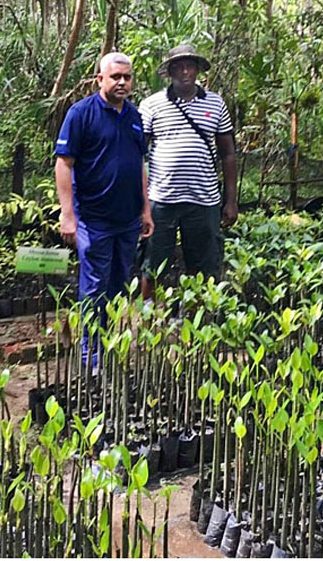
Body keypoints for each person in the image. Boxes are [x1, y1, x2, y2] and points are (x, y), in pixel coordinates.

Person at [55, 52, 153, 364]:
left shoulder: (135, 116)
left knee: (118, 285)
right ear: (100, 79)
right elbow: (63, 163)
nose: (122, 82)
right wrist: (67, 213)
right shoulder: (81, 114)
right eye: (115, 77)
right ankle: (90, 354)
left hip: (127, 219)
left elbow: (139, 164)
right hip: (94, 219)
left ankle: (109, 344)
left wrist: (146, 209)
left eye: (127, 77)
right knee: (94, 286)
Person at [139, 43, 237, 299]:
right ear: (170, 71)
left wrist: (231, 201)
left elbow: (228, 153)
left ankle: (198, 324)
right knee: (152, 264)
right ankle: (149, 321)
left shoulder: (216, 104)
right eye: (179, 66)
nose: (185, 71)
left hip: (203, 200)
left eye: (190, 65)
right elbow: (139, 154)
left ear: (198, 70)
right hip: (162, 200)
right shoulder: (152, 105)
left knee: (204, 266)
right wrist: (142, 204)